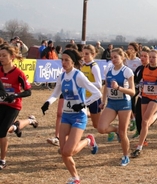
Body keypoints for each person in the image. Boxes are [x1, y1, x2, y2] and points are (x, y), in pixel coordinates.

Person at [40, 48, 102, 184]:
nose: (64, 62)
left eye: (67, 60)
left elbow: (97, 93)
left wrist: (82, 104)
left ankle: (88, 140)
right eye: (62, 60)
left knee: (68, 152)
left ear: (73, 62)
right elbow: (55, 93)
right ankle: (75, 178)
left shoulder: (78, 75)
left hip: (79, 116)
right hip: (66, 116)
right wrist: (47, 103)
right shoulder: (61, 76)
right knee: (63, 152)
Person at [97, 48, 135, 166]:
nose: (113, 60)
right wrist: (103, 101)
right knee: (101, 128)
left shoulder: (127, 71)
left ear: (122, 57)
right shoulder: (108, 70)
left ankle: (125, 156)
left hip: (124, 103)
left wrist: (119, 88)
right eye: (112, 57)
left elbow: (133, 92)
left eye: (116, 57)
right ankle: (116, 130)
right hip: (112, 103)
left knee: (124, 133)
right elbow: (106, 87)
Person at [131, 49, 157, 158]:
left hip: (156, 97)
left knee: (144, 121)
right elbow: (137, 80)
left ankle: (139, 147)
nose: (152, 59)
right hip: (145, 96)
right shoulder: (144, 68)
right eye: (151, 57)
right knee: (145, 122)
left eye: (154, 57)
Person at [0, 44, 33, 170]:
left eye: (4, 56)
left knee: (2, 133)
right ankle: (17, 125)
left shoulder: (19, 73)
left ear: (12, 57)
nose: (1, 58)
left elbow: (28, 91)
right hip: (1, 104)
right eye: (0, 55)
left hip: (13, 106)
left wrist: (15, 95)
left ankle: (2, 160)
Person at [81, 45, 102, 129]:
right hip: (84, 97)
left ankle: (114, 130)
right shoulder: (83, 65)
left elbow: (99, 84)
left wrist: (86, 84)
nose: (84, 56)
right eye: (83, 54)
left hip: (94, 98)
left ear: (93, 55)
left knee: (97, 125)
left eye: (87, 54)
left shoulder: (94, 66)